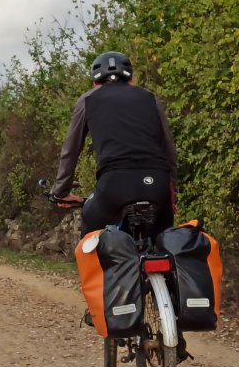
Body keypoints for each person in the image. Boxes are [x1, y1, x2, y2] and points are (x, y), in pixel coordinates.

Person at [51, 51, 178, 238]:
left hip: (114, 184)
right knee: (164, 238)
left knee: (90, 228)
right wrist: (172, 189)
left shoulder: (88, 99)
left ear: (95, 83)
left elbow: (71, 150)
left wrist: (61, 191)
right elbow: (169, 149)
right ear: (131, 79)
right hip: (157, 183)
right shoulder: (150, 98)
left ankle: (104, 267)